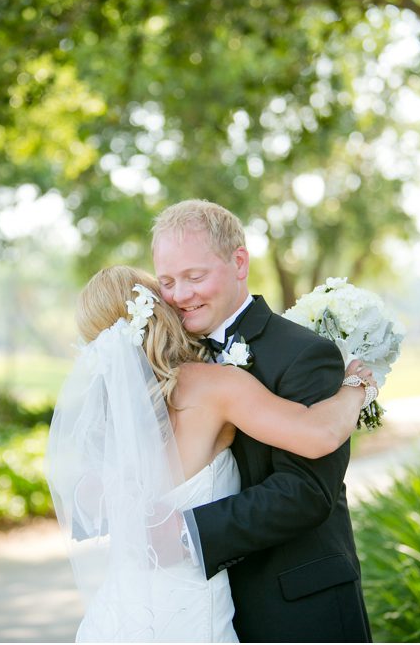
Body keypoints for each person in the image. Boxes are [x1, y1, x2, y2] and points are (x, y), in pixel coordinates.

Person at [47, 264, 375, 642]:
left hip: (118, 617)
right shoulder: (213, 386)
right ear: (156, 308)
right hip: (189, 614)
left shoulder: (108, 416)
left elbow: (90, 509)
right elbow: (320, 434)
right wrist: (356, 387)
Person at [152, 199, 372, 642]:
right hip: (203, 609)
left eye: (195, 277)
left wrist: (189, 533)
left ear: (238, 262)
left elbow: (307, 491)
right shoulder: (167, 360)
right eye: (167, 281)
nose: (179, 295)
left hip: (297, 606)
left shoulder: (304, 353)